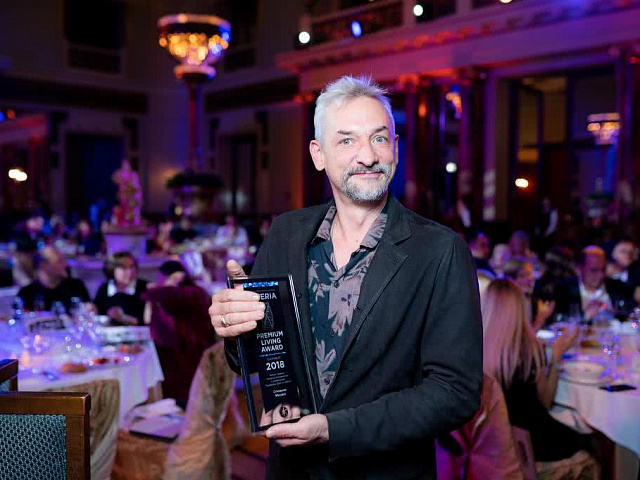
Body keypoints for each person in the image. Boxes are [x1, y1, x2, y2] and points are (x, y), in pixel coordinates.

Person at [209, 75, 482, 479]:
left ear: (395, 147)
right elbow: (254, 360)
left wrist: (334, 430)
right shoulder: (285, 234)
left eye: (379, 138)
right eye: (347, 140)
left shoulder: (441, 251)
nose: (367, 156)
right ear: (318, 154)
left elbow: (455, 393)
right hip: (291, 472)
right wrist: (235, 327)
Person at [482, 278, 590, 462]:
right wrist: (556, 356)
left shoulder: (474, 351)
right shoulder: (529, 349)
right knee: (591, 445)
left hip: (494, 448)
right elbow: (545, 402)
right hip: (532, 447)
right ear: (519, 310)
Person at [143, 260, 217, 405]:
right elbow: (147, 318)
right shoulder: (170, 295)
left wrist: (161, 288)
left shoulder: (192, 293)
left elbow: (158, 295)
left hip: (189, 352)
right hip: (174, 352)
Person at [554, 245, 636, 321]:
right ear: (579, 268)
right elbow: (559, 321)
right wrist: (584, 316)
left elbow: (632, 315)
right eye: (594, 270)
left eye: (603, 269)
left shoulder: (618, 287)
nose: (600, 275)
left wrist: (614, 313)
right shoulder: (563, 290)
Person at [17, 246, 90, 312]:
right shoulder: (27, 294)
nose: (65, 264)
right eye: (59, 261)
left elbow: (89, 312)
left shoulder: (76, 286)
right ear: (44, 266)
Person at [94, 251, 147, 326]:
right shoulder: (104, 289)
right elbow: (99, 315)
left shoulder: (145, 288)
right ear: (112, 270)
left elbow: (149, 322)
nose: (130, 272)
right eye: (124, 268)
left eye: (132, 267)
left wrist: (124, 319)